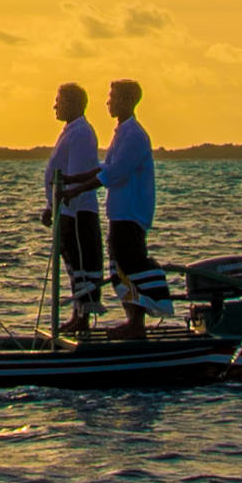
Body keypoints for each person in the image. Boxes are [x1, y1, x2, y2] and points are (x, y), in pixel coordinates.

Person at [38, 78, 106, 332]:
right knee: (72, 264)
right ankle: (78, 313)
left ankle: (83, 317)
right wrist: (50, 207)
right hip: (64, 209)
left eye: (59, 102)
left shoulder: (81, 133)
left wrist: (63, 201)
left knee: (82, 264)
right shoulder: (70, 131)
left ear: (74, 103)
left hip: (77, 211)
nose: (55, 107)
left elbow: (77, 173)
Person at [97, 78, 162, 333]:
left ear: (126, 101)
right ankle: (132, 319)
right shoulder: (121, 133)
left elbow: (116, 172)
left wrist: (81, 185)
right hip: (118, 212)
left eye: (112, 97)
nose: (108, 103)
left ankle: (136, 322)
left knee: (130, 264)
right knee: (118, 266)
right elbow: (106, 168)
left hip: (131, 213)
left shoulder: (135, 134)